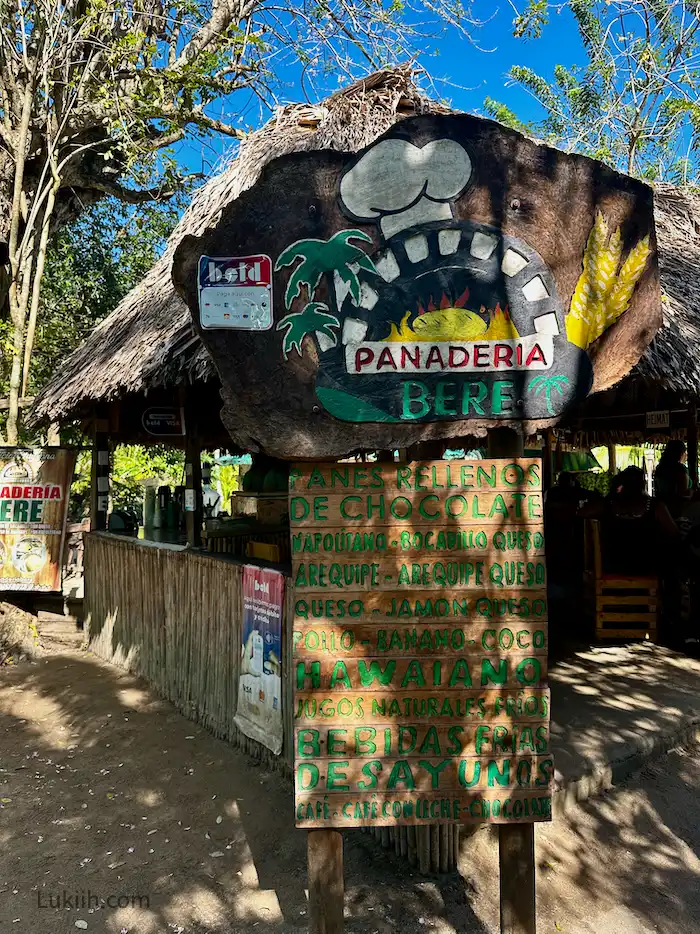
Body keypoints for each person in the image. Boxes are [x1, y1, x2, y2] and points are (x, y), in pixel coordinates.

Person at [597, 466, 679, 576]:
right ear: (643, 484)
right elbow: (674, 533)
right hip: (647, 567)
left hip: (612, 566)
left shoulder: (609, 504)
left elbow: (583, 512)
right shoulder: (654, 506)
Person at [654, 440, 691, 519]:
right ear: (681, 453)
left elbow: (657, 491)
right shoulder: (680, 469)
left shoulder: (659, 468)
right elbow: (682, 493)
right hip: (678, 511)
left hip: (663, 509)